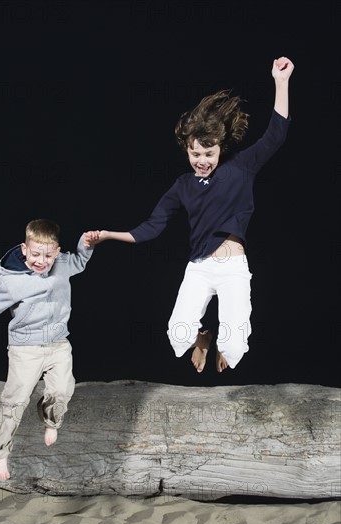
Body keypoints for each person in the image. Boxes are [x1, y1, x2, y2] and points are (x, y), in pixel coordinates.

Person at [84, 56, 294, 375]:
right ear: (187, 150)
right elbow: (152, 227)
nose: (202, 161)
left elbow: (275, 135)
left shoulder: (240, 168)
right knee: (177, 336)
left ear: (220, 149)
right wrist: (109, 235)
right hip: (199, 268)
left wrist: (281, 82)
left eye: (209, 154)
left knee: (236, 348)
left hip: (233, 268)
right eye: (195, 154)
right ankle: (204, 339)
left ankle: (224, 343)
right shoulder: (182, 185)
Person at [0, 219, 101, 481]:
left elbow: (79, 262)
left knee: (63, 389)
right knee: (14, 403)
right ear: (24, 249)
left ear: (57, 252)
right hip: (25, 348)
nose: (41, 261)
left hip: (59, 342)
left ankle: (51, 422)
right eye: (36, 254)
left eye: (48, 255)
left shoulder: (61, 264)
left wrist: (86, 246)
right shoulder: (13, 282)